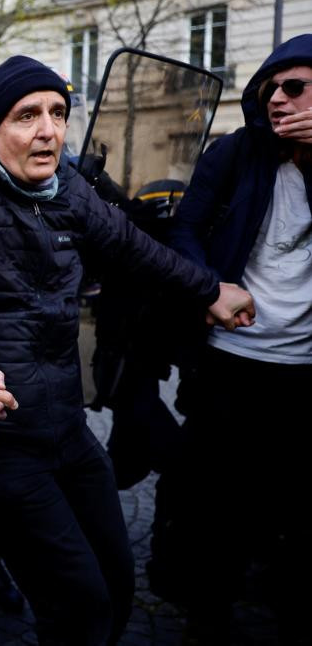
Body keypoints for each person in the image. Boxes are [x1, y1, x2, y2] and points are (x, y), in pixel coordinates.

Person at [0, 54, 255, 645]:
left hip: (68, 429)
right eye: (27, 115)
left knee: (118, 586)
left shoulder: (67, 186)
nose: (48, 129)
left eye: (58, 113)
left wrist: (209, 289)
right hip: (2, 443)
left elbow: (132, 248)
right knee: (80, 605)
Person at [164, 34, 312, 642]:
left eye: (295, 88)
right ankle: (206, 618)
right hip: (229, 363)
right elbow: (185, 230)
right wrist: (209, 289)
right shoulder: (234, 154)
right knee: (214, 508)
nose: (277, 99)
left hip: (303, 371)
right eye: (270, 88)